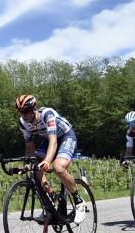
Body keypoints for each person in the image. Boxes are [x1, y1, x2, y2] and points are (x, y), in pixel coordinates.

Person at [15, 94, 86, 224]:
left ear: (34, 108)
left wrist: (47, 161)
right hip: (48, 140)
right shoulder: (23, 123)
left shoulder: (47, 114)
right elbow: (29, 147)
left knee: (59, 168)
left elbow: (53, 140)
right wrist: (28, 163)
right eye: (20, 112)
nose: (23, 116)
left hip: (65, 136)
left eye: (26, 112)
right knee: (36, 170)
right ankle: (51, 199)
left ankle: (79, 201)